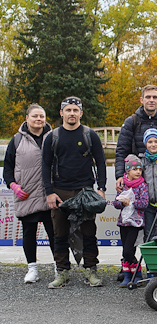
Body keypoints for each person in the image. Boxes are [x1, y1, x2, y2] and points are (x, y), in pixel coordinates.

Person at [41, 96, 107, 289]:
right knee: (59, 234)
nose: (72, 113)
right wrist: (49, 192)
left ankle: (90, 270)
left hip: (85, 191)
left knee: (88, 232)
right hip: (60, 191)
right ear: (61, 113)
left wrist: (101, 189)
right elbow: (45, 166)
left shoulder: (89, 135)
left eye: (75, 110)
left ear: (81, 113)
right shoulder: (52, 137)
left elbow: (101, 162)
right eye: (68, 110)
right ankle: (62, 272)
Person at [3, 104, 55, 283]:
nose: (39, 119)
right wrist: (13, 185)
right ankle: (32, 269)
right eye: (35, 116)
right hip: (27, 195)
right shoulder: (16, 140)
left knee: (55, 233)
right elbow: (7, 168)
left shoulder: (54, 137)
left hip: (50, 195)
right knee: (29, 233)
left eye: (42, 116)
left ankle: (59, 267)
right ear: (27, 118)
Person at [114, 85, 157, 192]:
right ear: (142, 100)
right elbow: (122, 150)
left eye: (154, 97)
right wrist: (119, 175)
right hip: (137, 176)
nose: (151, 100)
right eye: (148, 97)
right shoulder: (131, 122)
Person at [111, 155, 149, 287]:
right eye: (135, 169)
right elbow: (116, 203)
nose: (138, 171)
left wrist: (131, 202)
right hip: (123, 222)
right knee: (125, 251)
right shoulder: (124, 185)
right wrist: (122, 203)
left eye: (140, 169)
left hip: (136, 223)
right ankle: (128, 276)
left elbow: (144, 204)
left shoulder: (142, 186)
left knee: (129, 250)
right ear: (128, 171)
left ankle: (137, 274)